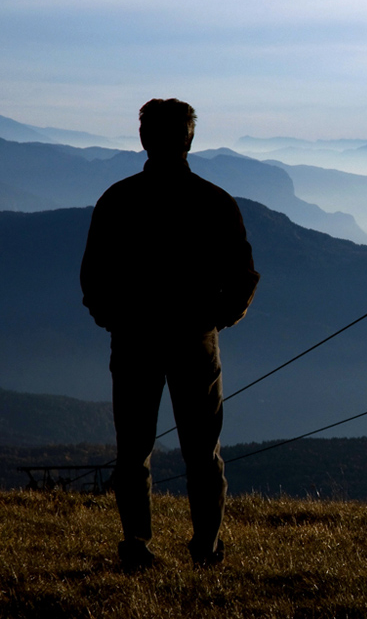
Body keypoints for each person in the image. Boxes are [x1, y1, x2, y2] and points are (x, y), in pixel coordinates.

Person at [80, 98, 260, 570]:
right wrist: (217, 319)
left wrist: (115, 319)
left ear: (143, 139)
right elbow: (244, 276)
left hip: (135, 339)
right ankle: (206, 547)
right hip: (194, 339)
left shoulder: (118, 200)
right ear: (190, 140)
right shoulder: (214, 202)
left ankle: (137, 544)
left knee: (133, 450)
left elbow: (93, 277)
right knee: (203, 453)